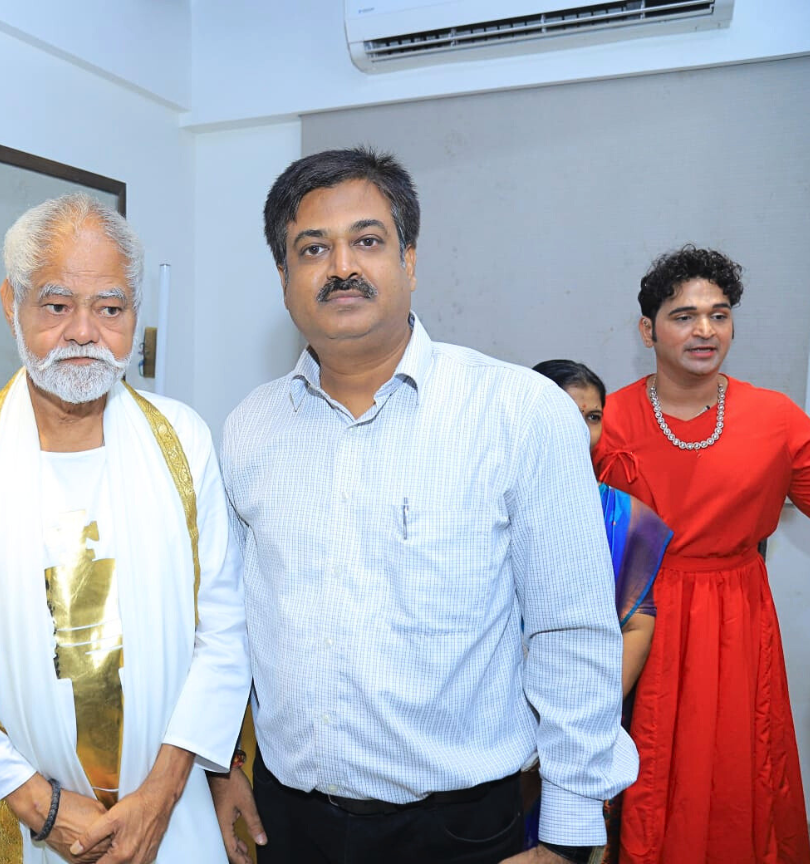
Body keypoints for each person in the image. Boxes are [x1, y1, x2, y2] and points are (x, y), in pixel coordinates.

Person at [212, 147, 637, 864]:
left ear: (409, 260)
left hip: (458, 828)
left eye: (367, 241)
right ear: (283, 279)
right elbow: (228, 621)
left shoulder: (518, 412)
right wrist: (224, 766)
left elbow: (571, 628)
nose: (341, 266)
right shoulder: (249, 427)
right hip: (291, 821)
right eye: (312, 248)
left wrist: (567, 834)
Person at [0, 194, 251, 864]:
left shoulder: (183, 441)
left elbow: (224, 632)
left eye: (110, 308)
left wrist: (162, 795)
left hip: (168, 822)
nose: (84, 332)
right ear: (12, 303)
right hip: (14, 821)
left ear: (135, 313)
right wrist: (43, 808)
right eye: (57, 306)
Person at [593, 245, 810, 864]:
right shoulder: (609, 419)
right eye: (684, 316)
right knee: (642, 770)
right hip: (638, 620)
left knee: (741, 765)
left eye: (719, 315)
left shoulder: (775, 417)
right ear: (647, 330)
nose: (705, 330)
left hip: (736, 620)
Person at [532, 359, 673, 862]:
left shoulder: (629, 519)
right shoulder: (487, 505)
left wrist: (591, 711)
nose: (582, 431)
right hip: (493, 712)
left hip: (586, 708)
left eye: (593, 417)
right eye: (565, 414)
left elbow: (636, 622)